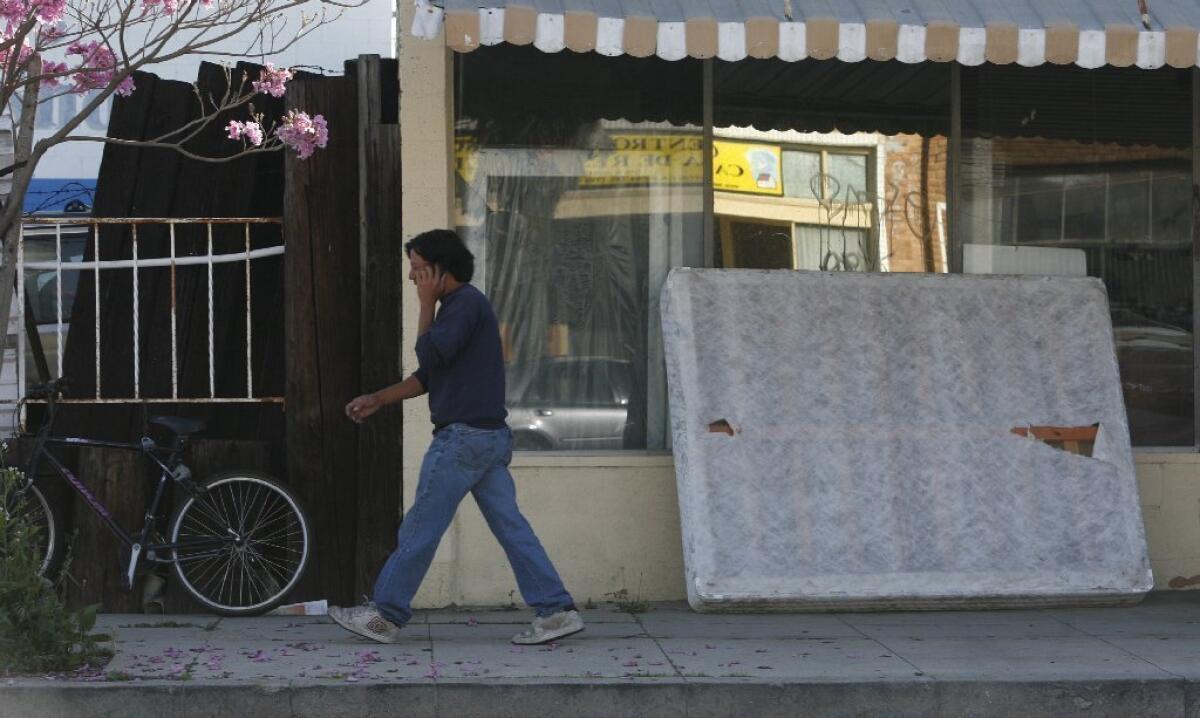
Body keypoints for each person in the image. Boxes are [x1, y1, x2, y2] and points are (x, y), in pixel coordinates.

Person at [328, 229, 584, 646]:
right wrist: (378, 398)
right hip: (486, 439)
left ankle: (384, 615)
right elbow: (429, 375)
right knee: (511, 528)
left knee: (420, 529)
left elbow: (429, 354)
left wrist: (425, 305)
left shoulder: (462, 304)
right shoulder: (462, 308)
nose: (412, 278)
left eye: (417, 269)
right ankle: (556, 610)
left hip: (463, 440)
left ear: (438, 269)